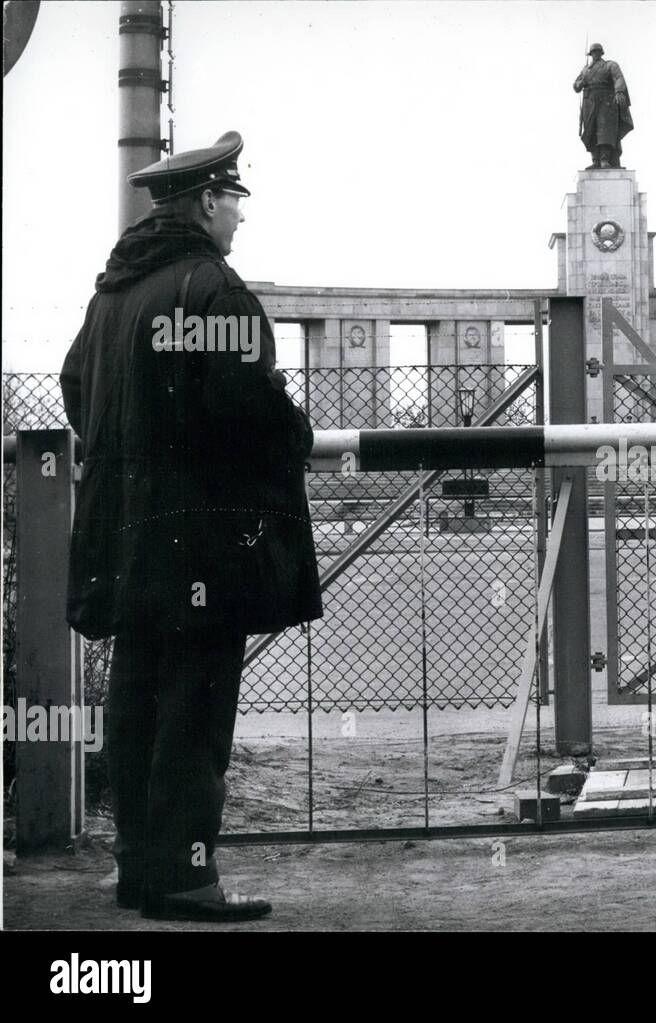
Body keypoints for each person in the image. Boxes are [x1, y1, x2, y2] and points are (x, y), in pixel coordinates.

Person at [59, 131, 323, 922]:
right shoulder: (214, 287)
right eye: (235, 200)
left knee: (137, 696)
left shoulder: (112, 294)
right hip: (201, 539)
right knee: (196, 707)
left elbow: (75, 387)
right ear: (208, 201)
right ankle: (185, 876)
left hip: (129, 537)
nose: (240, 215)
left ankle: (140, 868)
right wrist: (296, 430)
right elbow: (248, 408)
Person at [573, 42, 633, 169]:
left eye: (597, 52)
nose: (595, 54)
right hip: (589, 102)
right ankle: (595, 160)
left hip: (606, 102)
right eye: (593, 52)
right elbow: (576, 86)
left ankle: (604, 159)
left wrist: (619, 91)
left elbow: (618, 78)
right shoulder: (585, 69)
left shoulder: (610, 65)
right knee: (591, 130)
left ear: (601, 53)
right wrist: (581, 82)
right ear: (590, 54)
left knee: (605, 130)